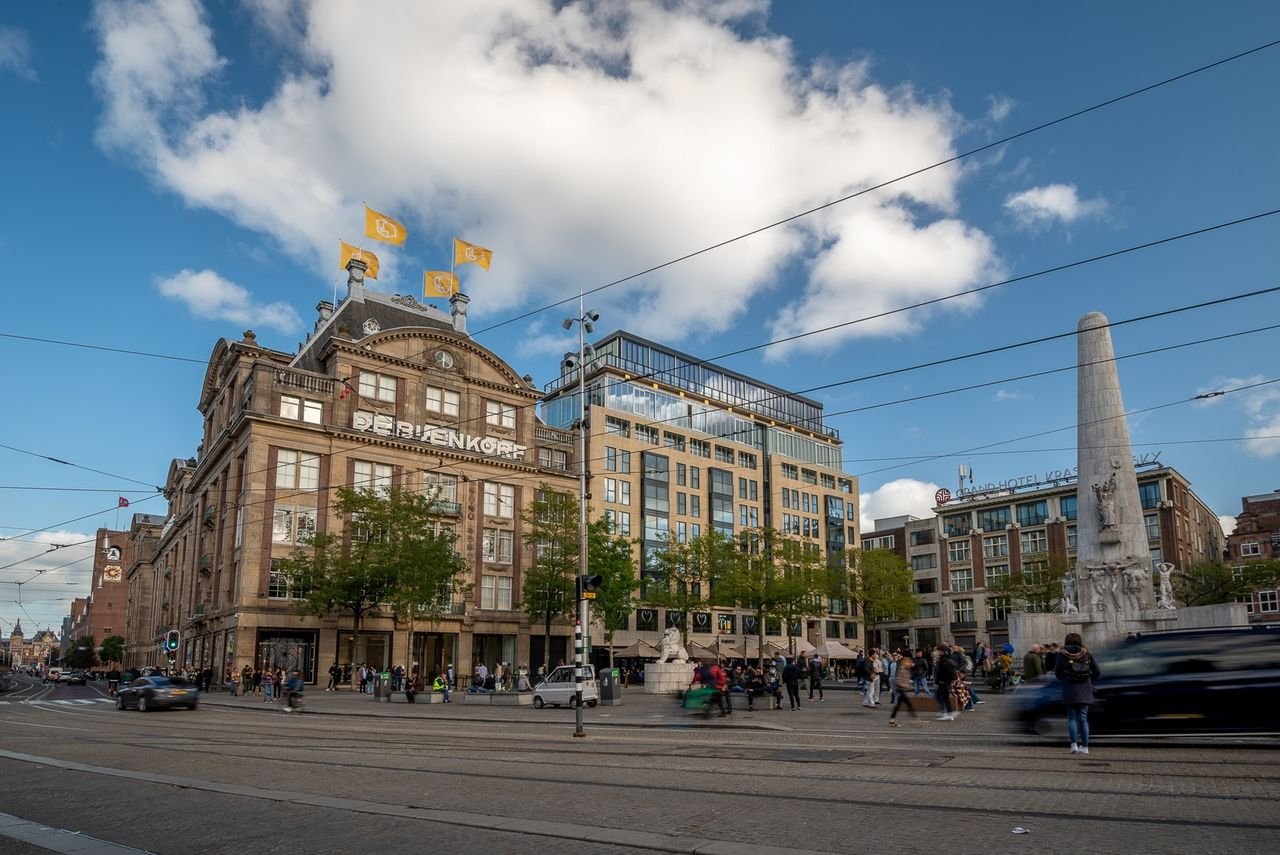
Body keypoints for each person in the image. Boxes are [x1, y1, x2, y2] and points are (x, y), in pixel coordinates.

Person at [1055, 632, 1101, 755]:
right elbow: (1097, 672)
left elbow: (1057, 673)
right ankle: (1085, 747)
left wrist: (1065, 678)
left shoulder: (1061, 655)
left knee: (1071, 718)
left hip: (1069, 689)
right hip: (1085, 689)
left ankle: (1074, 745)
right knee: (1083, 719)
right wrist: (1089, 680)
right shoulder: (1087, 654)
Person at [888, 653, 919, 726]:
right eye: (908, 662)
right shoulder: (902, 670)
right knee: (908, 704)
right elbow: (898, 681)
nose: (910, 664)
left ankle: (892, 719)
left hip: (903, 690)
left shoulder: (907, 670)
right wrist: (906, 686)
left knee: (898, 706)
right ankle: (915, 718)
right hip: (901, 689)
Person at [933, 644, 957, 721]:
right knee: (940, 697)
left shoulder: (944, 660)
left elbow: (943, 672)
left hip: (944, 682)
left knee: (943, 697)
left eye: (938, 651)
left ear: (942, 651)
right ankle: (946, 712)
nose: (936, 652)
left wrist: (940, 681)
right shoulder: (943, 659)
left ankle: (948, 713)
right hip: (943, 682)